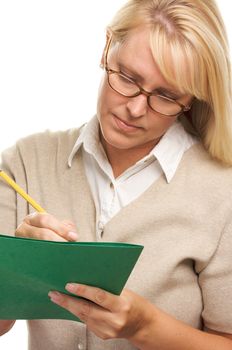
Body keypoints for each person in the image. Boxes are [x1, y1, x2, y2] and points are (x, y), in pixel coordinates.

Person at [0, 0, 232, 349]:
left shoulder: (221, 191)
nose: (136, 109)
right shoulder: (25, 163)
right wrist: (15, 267)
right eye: (127, 77)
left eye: (167, 96)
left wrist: (145, 327)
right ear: (108, 46)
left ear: (191, 100)